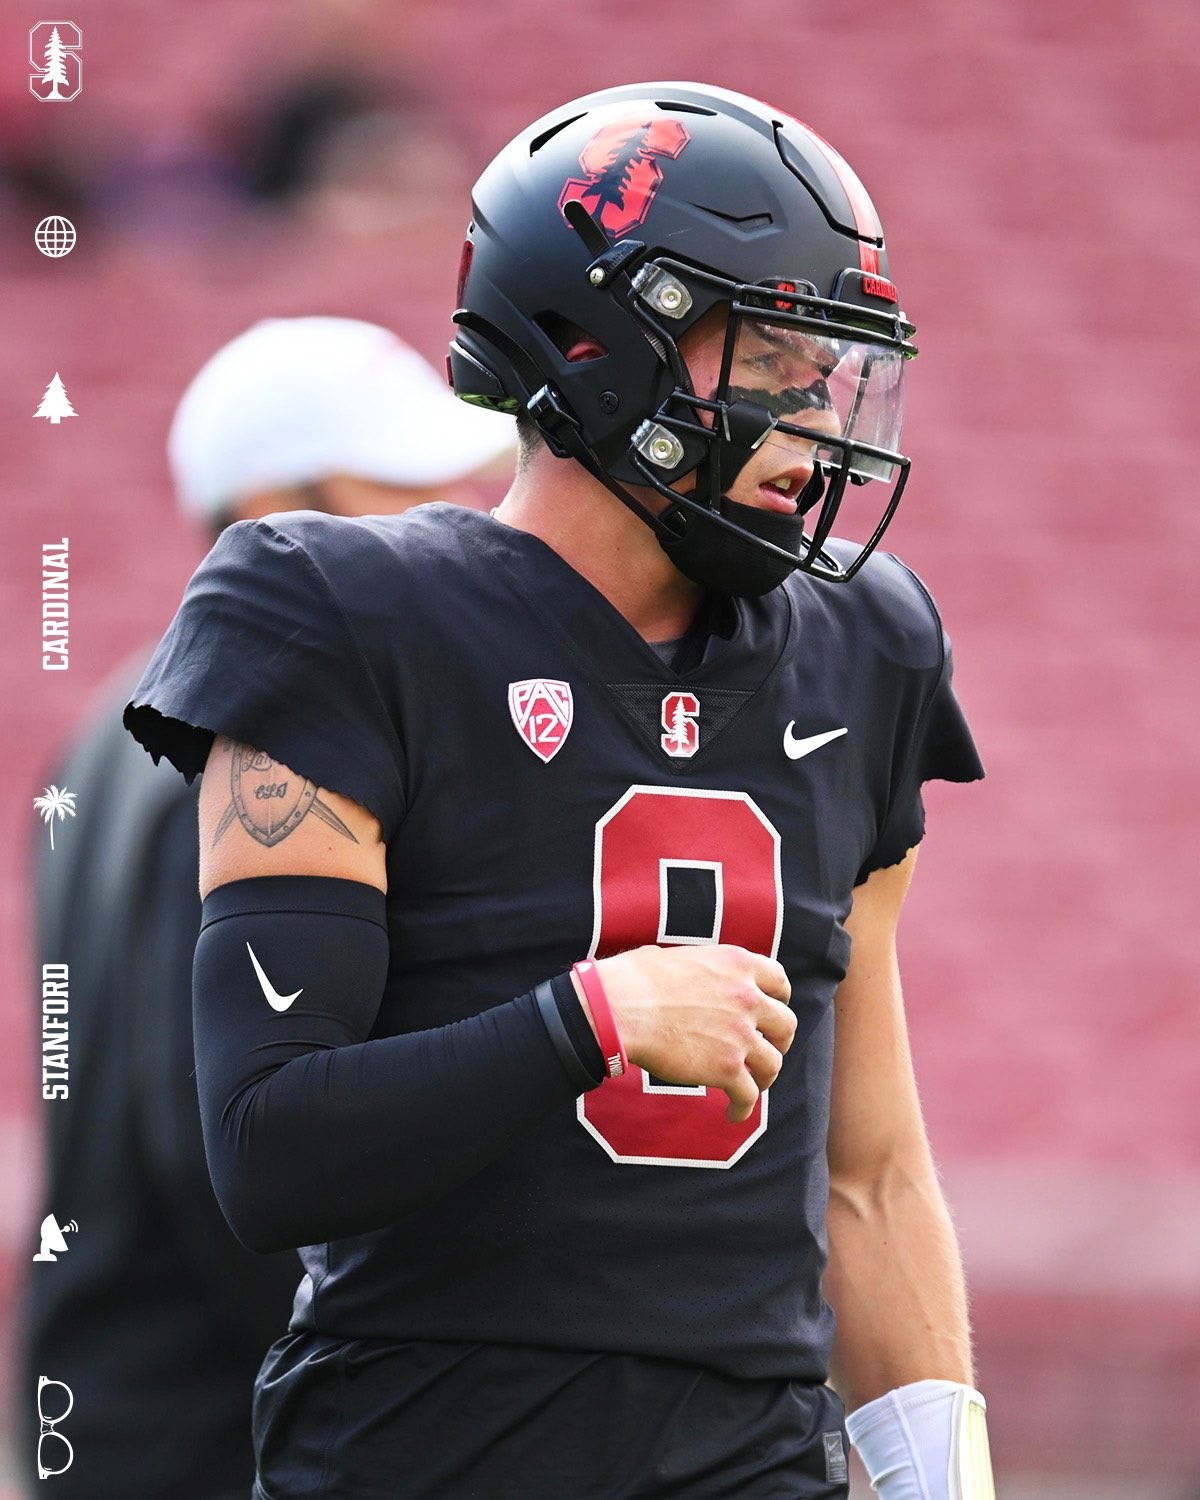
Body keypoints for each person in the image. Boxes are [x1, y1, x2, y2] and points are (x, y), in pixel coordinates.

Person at [123, 83, 995, 1500]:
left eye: (827, 372)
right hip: (425, 1457)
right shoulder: (335, 611)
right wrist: (586, 1020)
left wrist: (945, 1484)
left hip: (754, 1464)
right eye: (770, 361)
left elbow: (872, 1173)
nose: (812, 424)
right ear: (598, 351)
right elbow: (268, 1148)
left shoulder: (869, 646)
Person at [20, 316, 515, 1500]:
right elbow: (214, 1139)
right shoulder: (252, 748)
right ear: (269, 511)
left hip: (126, 1404)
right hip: (211, 1430)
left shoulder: (122, 723)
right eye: (403, 484)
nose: (452, 516)